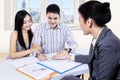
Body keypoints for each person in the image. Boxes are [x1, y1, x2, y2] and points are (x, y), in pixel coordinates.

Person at [53, 1, 120, 80]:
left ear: (89, 22)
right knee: (67, 78)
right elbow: (92, 58)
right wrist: (69, 56)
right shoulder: (100, 36)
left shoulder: (108, 45)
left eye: (80, 20)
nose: (80, 24)